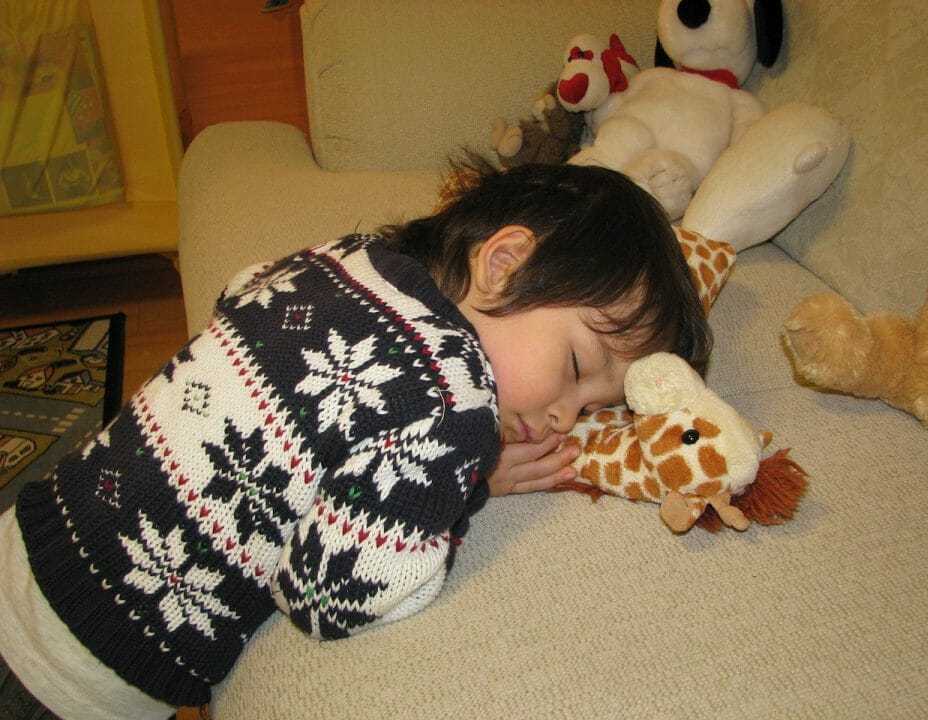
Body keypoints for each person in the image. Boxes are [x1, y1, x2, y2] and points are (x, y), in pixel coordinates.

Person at [0, 158, 711, 718]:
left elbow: (238, 293)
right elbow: (322, 595)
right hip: (78, 665)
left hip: (35, 530)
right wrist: (459, 489)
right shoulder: (455, 407)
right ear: (505, 262)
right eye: (578, 368)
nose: (565, 418)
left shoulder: (352, 255)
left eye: (593, 407)